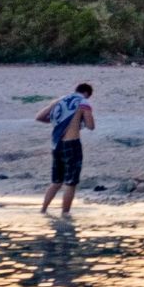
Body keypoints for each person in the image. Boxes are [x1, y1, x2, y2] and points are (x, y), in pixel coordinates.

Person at [36, 82, 96, 215]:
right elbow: (91, 126)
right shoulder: (83, 102)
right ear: (87, 93)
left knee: (56, 181)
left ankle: (43, 210)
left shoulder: (59, 100)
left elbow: (39, 117)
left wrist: (57, 122)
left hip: (56, 145)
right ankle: (65, 214)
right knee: (70, 182)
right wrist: (80, 121)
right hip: (71, 143)